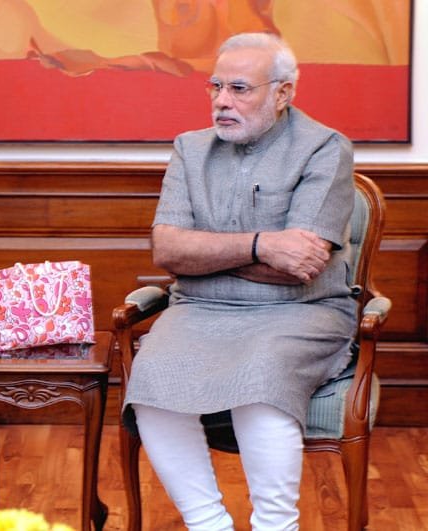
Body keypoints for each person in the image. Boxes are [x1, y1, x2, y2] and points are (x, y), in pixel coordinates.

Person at [122, 32, 357, 530]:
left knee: (262, 378)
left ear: (283, 92)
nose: (222, 101)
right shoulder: (190, 149)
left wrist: (205, 252)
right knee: (152, 381)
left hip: (300, 312)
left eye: (240, 89)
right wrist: (261, 245)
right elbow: (167, 250)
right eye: (215, 86)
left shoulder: (325, 149)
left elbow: (300, 268)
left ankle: (276, 525)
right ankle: (209, 523)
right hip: (199, 310)